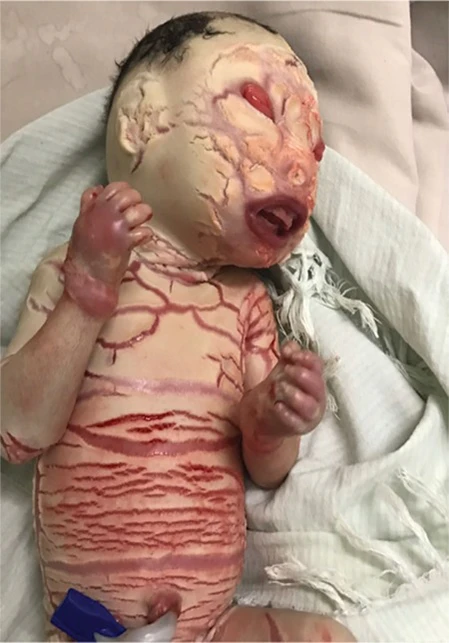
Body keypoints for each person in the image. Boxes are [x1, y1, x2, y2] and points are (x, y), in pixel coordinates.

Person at [1, 11, 355, 642]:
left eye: (314, 146)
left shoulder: (244, 302)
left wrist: (270, 422)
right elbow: (19, 431)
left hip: (213, 625)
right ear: (143, 121)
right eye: (258, 105)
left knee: (327, 638)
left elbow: (269, 473)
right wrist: (88, 293)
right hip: (90, 630)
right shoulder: (68, 271)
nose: (300, 161)